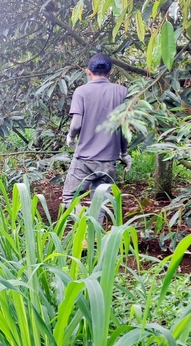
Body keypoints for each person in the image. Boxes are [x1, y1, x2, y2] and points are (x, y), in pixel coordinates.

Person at [63, 53, 132, 223]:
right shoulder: (123, 92)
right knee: (99, 203)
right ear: (111, 72)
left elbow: (76, 124)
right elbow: (124, 127)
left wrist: (71, 137)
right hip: (109, 160)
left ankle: (84, 225)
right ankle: (95, 239)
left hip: (84, 159)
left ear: (88, 72)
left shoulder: (81, 91)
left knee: (69, 198)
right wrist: (124, 153)